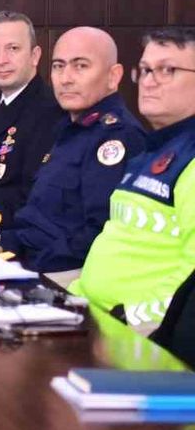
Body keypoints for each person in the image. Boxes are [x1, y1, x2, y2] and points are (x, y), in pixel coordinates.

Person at [0, 27, 145, 272]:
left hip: (61, 271)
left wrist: (26, 267)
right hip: (24, 250)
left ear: (113, 76)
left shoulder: (115, 137)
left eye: (80, 66)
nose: (66, 78)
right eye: (58, 66)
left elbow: (99, 234)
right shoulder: (70, 128)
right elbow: (37, 217)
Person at [72, 27, 195, 327]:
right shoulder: (149, 152)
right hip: (88, 311)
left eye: (167, 70)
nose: (149, 81)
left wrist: (129, 320)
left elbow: (190, 281)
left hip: (139, 333)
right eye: (145, 70)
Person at [0, 11, 63, 236]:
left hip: (15, 236)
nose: (2, 60)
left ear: (35, 56)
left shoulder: (50, 113)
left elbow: (35, 198)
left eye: (13, 49)